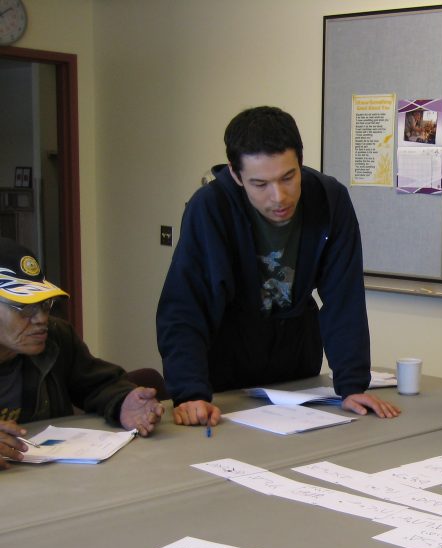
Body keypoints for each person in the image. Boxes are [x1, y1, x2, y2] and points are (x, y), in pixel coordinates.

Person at [156, 106, 399, 428]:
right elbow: (185, 306)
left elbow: (344, 297)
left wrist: (351, 385)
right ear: (235, 173)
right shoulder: (211, 208)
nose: (279, 197)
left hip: (296, 361)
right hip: (226, 365)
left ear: (300, 162)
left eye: (289, 177)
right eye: (260, 184)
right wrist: (189, 392)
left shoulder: (329, 200)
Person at [0, 238, 163, 470]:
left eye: (45, 304)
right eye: (26, 308)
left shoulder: (56, 336)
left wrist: (123, 401)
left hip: (56, 481)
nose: (42, 319)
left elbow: (96, 383)